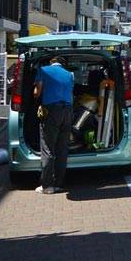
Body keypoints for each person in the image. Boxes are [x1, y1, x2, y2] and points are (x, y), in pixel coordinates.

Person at [33, 56, 74, 195]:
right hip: (67, 111)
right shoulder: (69, 74)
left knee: (48, 148)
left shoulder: (43, 70)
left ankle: (47, 186)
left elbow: (37, 92)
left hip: (51, 111)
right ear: (63, 64)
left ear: (51, 62)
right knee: (62, 149)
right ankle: (58, 184)